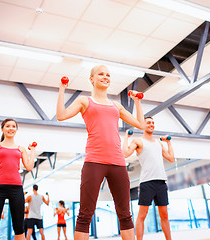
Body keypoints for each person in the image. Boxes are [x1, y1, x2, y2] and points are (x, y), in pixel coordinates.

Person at [56, 65, 145, 240]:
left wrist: (137, 102)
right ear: (92, 79)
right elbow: (61, 115)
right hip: (94, 162)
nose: (105, 77)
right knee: (85, 214)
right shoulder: (85, 101)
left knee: (125, 214)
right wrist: (61, 89)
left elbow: (140, 124)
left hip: (118, 163)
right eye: (101, 74)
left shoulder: (116, 106)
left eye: (108, 75)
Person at [0, 119, 35, 240]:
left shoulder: (21, 148)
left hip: (16, 189)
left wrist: (33, 151)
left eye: (13, 126)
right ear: (2, 129)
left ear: (16, 129)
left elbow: (29, 167)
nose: (11, 128)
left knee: (19, 228)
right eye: (8, 126)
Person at [122, 116, 175, 240]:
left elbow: (171, 158)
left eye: (153, 123)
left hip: (161, 182)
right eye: (148, 123)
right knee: (142, 215)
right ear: (143, 125)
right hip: (147, 183)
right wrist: (126, 137)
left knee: (164, 215)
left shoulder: (158, 143)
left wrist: (168, 142)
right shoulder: (138, 141)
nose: (151, 124)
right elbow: (125, 153)